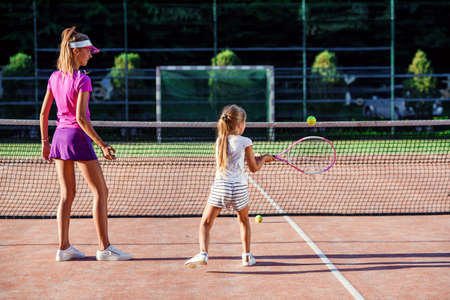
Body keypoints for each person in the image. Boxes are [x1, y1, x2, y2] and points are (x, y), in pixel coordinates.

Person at [40, 26, 131, 261]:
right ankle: (104, 248)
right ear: (76, 52)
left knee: (66, 195)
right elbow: (81, 118)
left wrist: (45, 143)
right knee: (101, 191)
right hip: (76, 138)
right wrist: (101, 144)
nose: (90, 55)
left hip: (59, 137)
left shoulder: (53, 77)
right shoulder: (83, 80)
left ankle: (63, 248)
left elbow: (43, 114)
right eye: (88, 51)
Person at [185, 104, 274, 268]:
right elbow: (254, 168)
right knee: (244, 220)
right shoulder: (246, 141)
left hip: (221, 187)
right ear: (240, 125)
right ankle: (246, 257)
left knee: (205, 223)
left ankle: (203, 253)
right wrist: (265, 158)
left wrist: (259, 158)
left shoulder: (220, 140)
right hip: (239, 188)